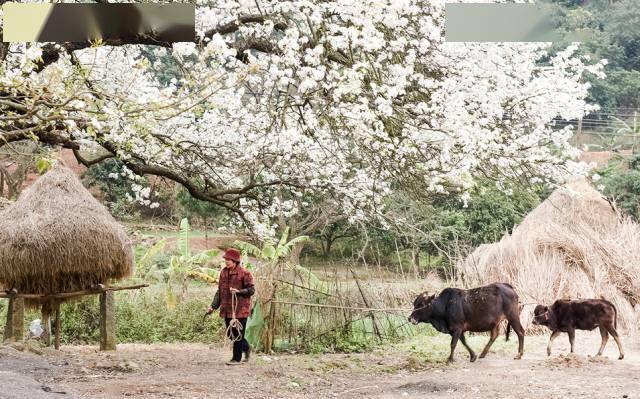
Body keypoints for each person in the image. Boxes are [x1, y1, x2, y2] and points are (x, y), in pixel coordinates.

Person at [207, 247, 255, 365]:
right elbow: (220, 291)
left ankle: (236, 359)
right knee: (231, 334)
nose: (226, 261)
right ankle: (247, 348)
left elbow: (251, 290)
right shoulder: (223, 272)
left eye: (228, 259)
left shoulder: (245, 273)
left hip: (240, 309)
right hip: (227, 309)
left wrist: (239, 291)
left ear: (235, 261)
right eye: (226, 259)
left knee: (238, 334)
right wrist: (213, 306)